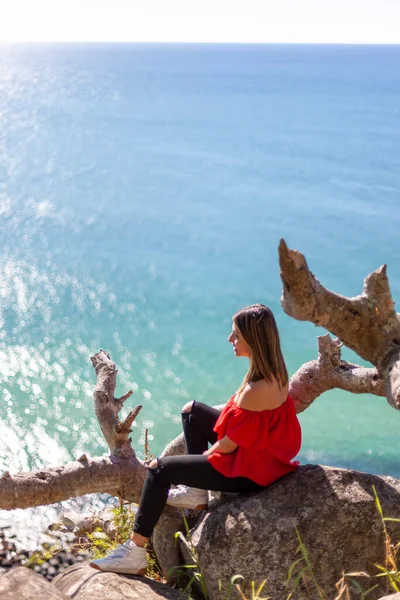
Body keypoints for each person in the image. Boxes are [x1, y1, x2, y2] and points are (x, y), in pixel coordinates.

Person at [89, 303, 302, 575]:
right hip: (257, 452)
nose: (230, 340)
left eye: (236, 335)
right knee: (191, 411)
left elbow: (227, 446)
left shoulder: (255, 390)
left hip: (250, 472)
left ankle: (135, 552)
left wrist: (192, 467)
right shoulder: (276, 373)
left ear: (254, 339)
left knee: (159, 469)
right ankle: (197, 495)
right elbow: (246, 424)